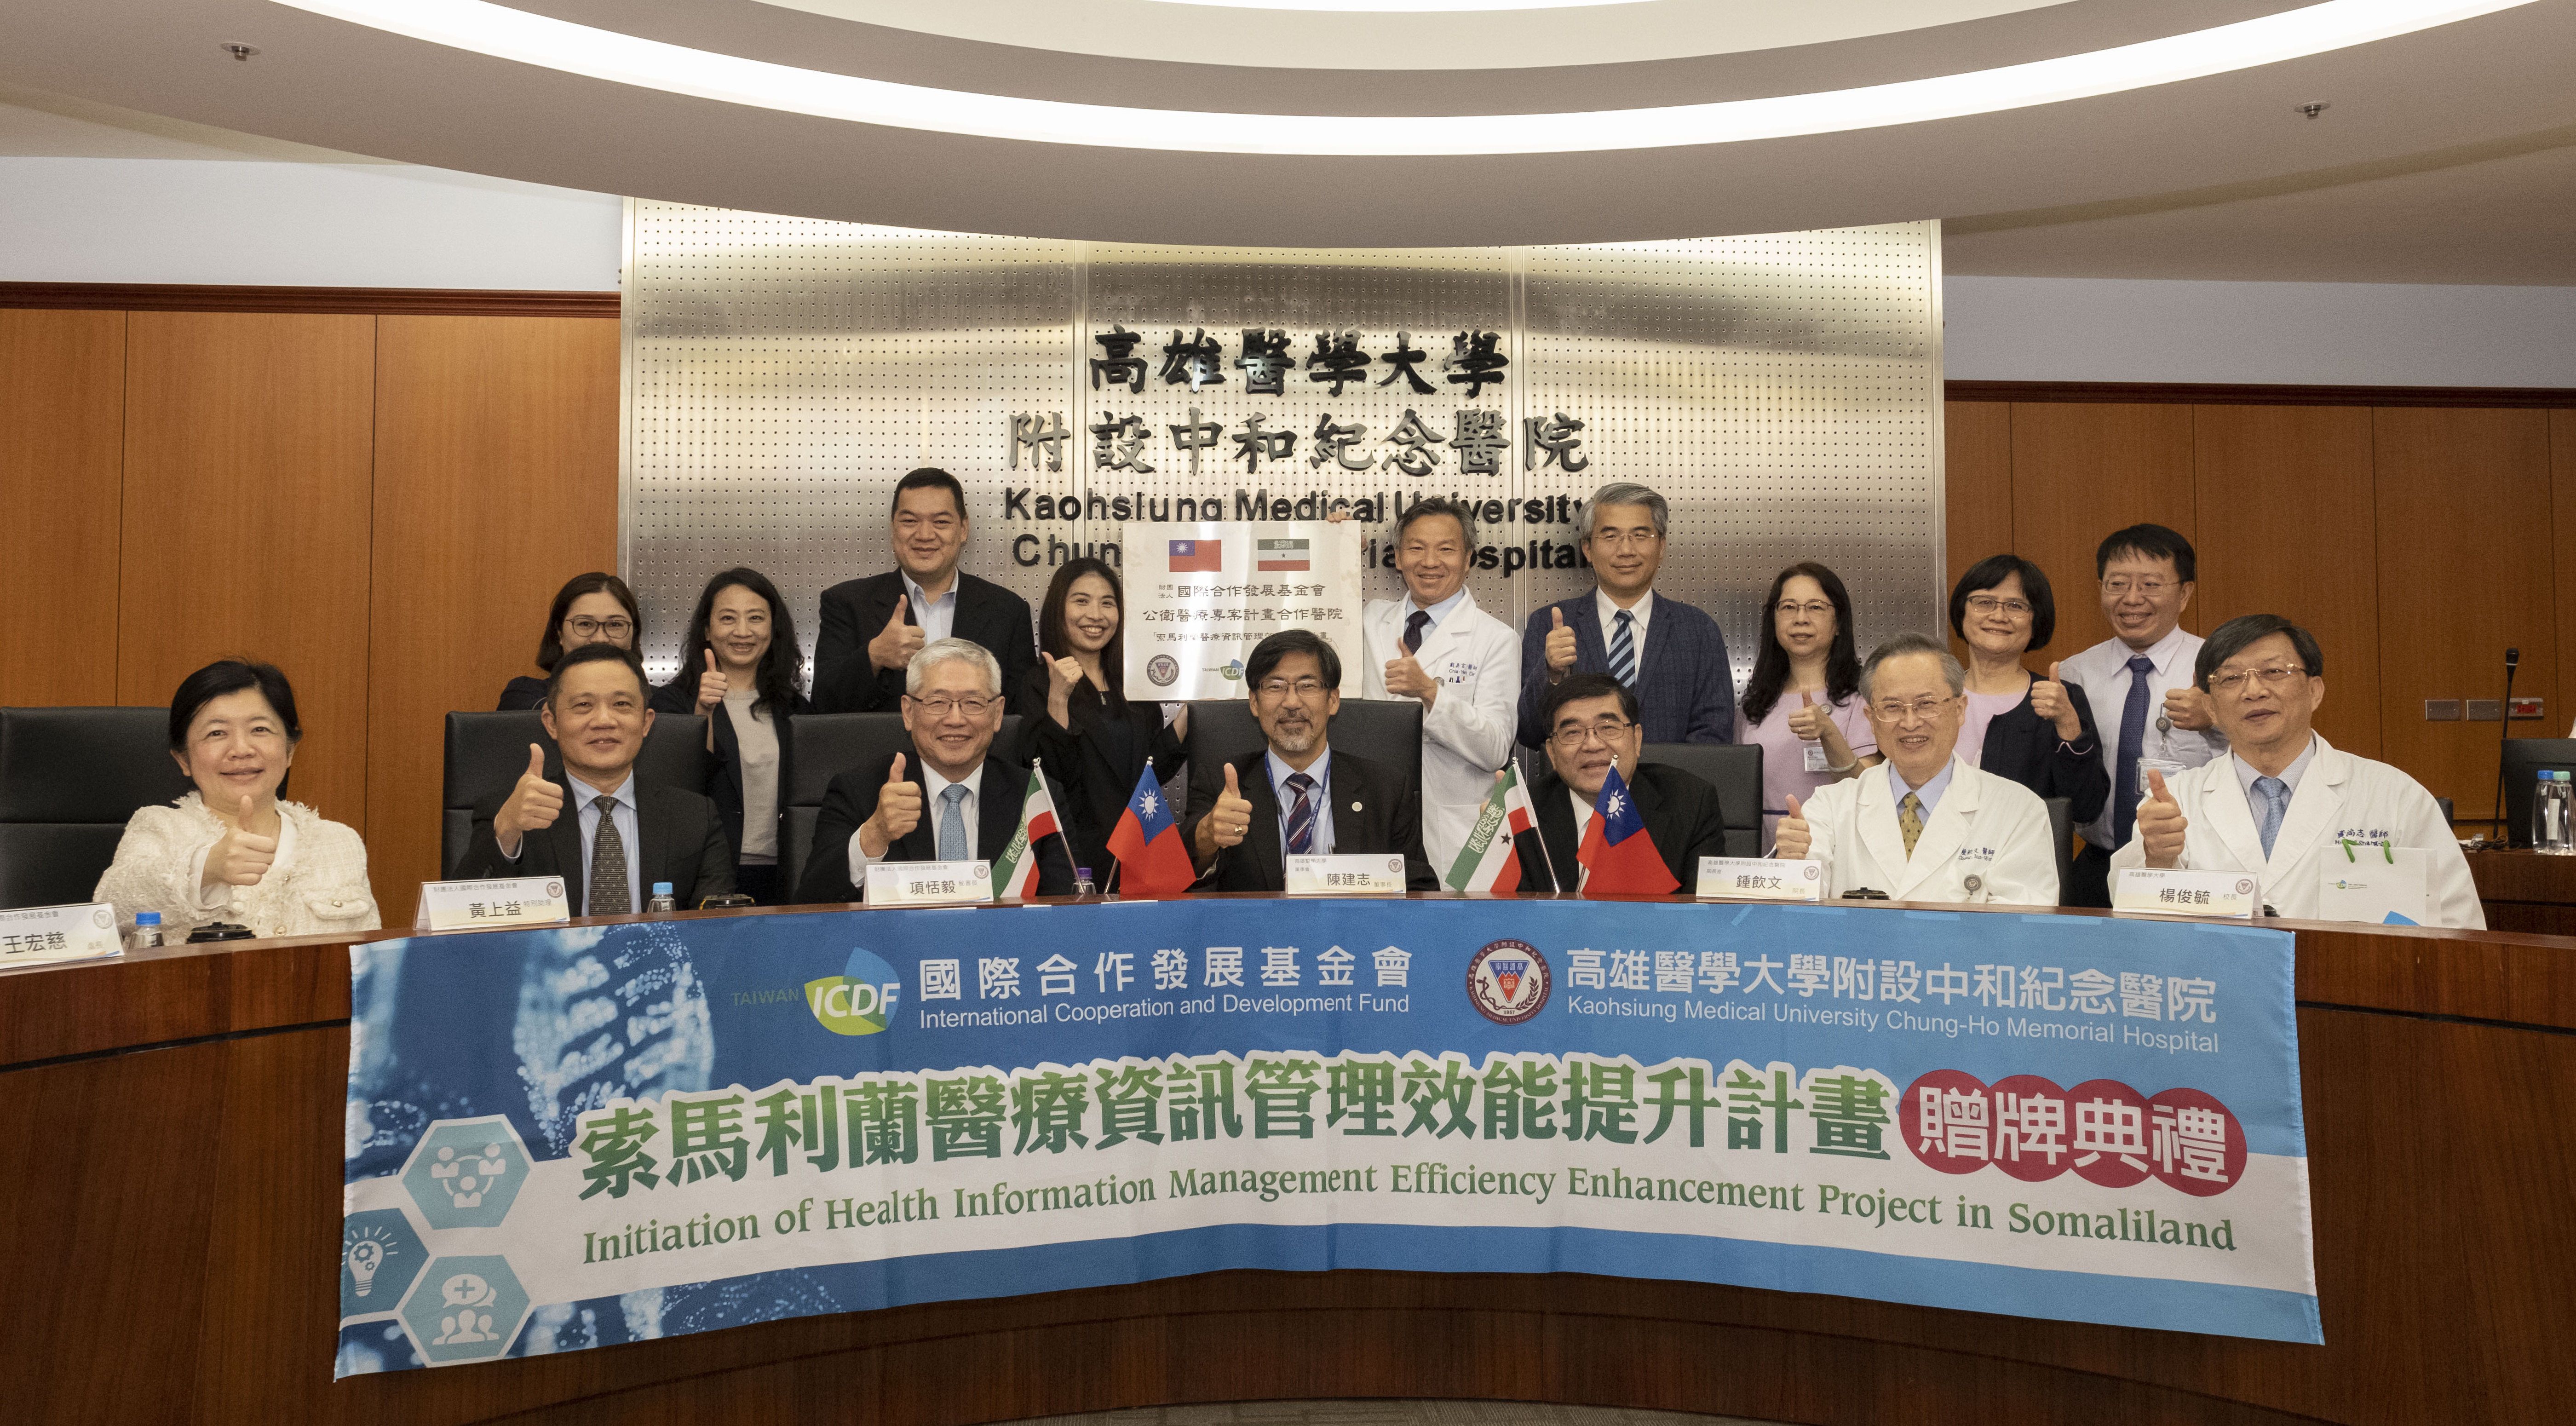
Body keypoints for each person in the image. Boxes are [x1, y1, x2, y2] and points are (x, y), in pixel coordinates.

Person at [2115, 615, 2484, 927]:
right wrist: (2157, 858)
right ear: (2210, 708)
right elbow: (2133, 922)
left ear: (2315, 691)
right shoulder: (2175, 800)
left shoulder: (2395, 796)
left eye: (2275, 672)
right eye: (2231, 678)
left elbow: (2457, 924)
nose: (2254, 690)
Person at [96, 659, 379, 939]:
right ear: (183, 759)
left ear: (290, 751)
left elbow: (368, 960)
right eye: (217, 733)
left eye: (260, 729)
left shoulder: (339, 843)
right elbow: (110, 911)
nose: (241, 749)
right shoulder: (160, 827)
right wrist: (205, 868)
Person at [1773, 634, 2060, 905]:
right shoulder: (1829, 806)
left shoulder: (2018, 810)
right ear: (1871, 719)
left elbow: (2021, 928)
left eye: (1926, 704)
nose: (1910, 723)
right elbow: (1796, 914)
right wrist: (1790, 865)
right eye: (1893, 707)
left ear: (1960, 709)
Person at [455, 643, 734, 913]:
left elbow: (718, 927)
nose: (604, 720)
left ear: (646, 722)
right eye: (583, 705)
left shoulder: (695, 817)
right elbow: (460, 913)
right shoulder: (510, 811)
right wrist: (506, 831)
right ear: (552, 723)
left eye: (621, 704)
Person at [796, 638, 1076, 902]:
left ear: (998, 713)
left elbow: (1068, 908)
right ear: (909, 712)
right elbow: (811, 904)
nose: (955, 719)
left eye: (973, 703)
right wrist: (875, 835)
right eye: (937, 702)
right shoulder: (858, 791)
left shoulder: (1036, 797)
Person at [1180, 629, 1438, 892]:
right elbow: (1181, 874)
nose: (1292, 702)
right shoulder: (1220, 782)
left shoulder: (1385, 788)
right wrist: (1207, 835)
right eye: (1275, 686)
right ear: (1254, 702)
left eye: (1308, 686)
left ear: (1333, 700)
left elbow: (1420, 888)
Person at [2054, 524, 2227, 907]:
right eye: (2117, 584)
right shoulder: (2074, 674)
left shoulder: (2221, 670)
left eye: (2151, 585)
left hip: (2192, 867)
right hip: (2097, 864)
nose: (2132, 599)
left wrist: (2217, 720)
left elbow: (2263, 759)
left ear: (2185, 594)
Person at [1355, 497, 1520, 871]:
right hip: (1373, 814)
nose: (1430, 562)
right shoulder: (1369, 619)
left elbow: (1496, 748)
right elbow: (1317, 607)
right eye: (1416, 548)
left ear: (1468, 559)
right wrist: (1336, 543)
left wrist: (1430, 693)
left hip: (1456, 829)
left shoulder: (1497, 639)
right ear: (1399, 557)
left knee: (1452, 908)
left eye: (1446, 549)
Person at [1516, 481, 1736, 748]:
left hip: (1673, 777)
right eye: (1611, 536)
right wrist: (1551, 674)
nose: (1626, 550)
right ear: (1587, 548)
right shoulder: (1549, 625)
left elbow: (1714, 735)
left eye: (1640, 536)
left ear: (1662, 546)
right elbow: (1529, 734)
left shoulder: (1698, 630)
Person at [811, 467, 1036, 717]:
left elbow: (1020, 716)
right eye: (910, 521)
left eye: (941, 522)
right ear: (893, 527)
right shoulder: (847, 603)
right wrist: (874, 656)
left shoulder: (1008, 610)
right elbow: (823, 709)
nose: (925, 535)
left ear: (963, 529)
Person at [1016, 558, 1185, 887]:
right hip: (1073, 856)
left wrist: (1189, 717)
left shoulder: (1133, 684)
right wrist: (1058, 698)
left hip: (1137, 850)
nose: (1095, 615)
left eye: (1107, 603)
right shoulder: (1038, 683)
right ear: (1058, 610)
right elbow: (1048, 779)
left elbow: (1151, 771)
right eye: (1081, 601)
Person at [650, 567, 810, 903]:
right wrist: (704, 713)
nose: (742, 631)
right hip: (709, 871)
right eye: (728, 618)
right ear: (707, 631)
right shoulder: (672, 703)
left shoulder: (796, 709)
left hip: (787, 870)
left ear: (773, 630)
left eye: (756, 618)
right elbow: (682, 785)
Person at [1515, 673, 1727, 892]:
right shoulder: (1522, 815)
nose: (1593, 745)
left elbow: (1705, 907)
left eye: (1608, 728)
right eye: (1573, 732)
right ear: (1552, 753)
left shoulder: (1691, 803)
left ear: (1636, 740)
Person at [1949, 555, 2110, 829]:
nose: (1998, 616)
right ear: (1962, 611)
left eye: (2016, 606)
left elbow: (2086, 808)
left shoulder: (2062, 699)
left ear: (2036, 621)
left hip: (2023, 852)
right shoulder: (1933, 698)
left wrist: (2067, 723)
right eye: (1984, 602)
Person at [1735, 562, 1877, 851]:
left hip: (1838, 846)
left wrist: (1829, 733)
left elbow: (1870, 792)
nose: (1801, 619)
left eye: (1816, 607)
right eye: (1789, 607)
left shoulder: (1864, 698)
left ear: (1839, 623)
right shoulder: (1753, 705)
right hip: (1763, 850)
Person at [498, 572, 640, 712]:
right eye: (585, 624)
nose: (600, 638)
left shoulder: (654, 701)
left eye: (615, 624)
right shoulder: (524, 697)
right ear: (560, 633)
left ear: (634, 634)